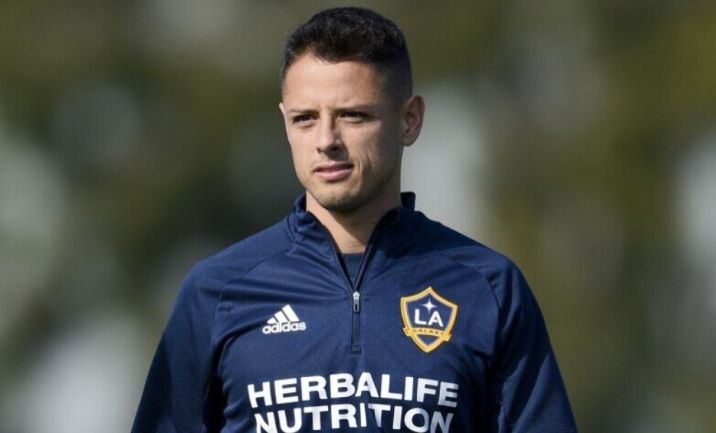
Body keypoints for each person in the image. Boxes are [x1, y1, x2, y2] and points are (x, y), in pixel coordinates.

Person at [132, 6, 577, 433]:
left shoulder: (489, 289)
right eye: (306, 119)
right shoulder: (217, 292)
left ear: (409, 119)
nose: (326, 140)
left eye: (353, 116)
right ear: (285, 122)